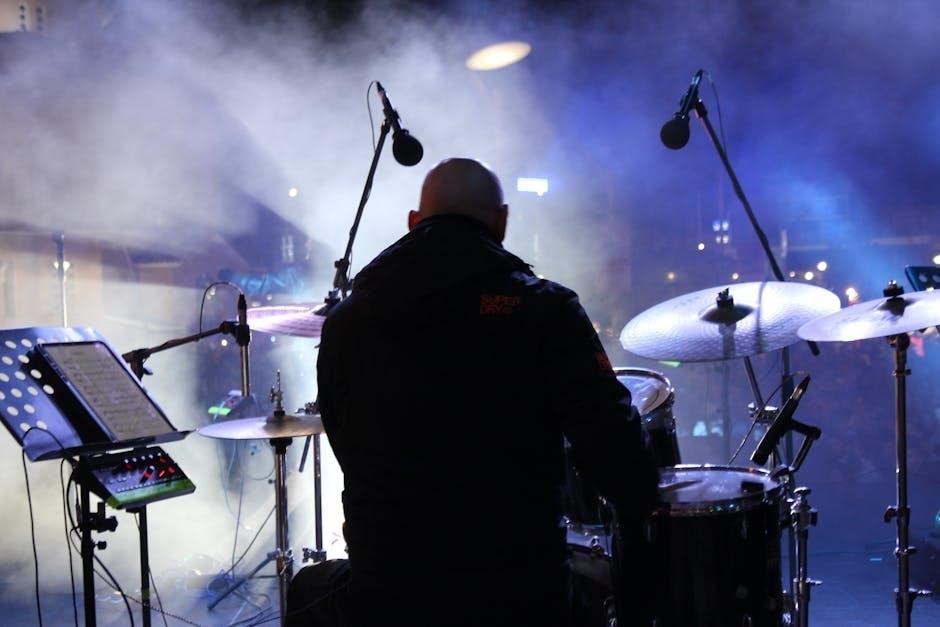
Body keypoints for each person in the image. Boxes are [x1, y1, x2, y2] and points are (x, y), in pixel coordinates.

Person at [288, 158, 660, 627]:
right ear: (502, 222)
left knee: (306, 589)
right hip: (516, 596)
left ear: (414, 222)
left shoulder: (346, 321)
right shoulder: (545, 309)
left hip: (386, 594)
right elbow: (620, 460)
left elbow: (347, 445)